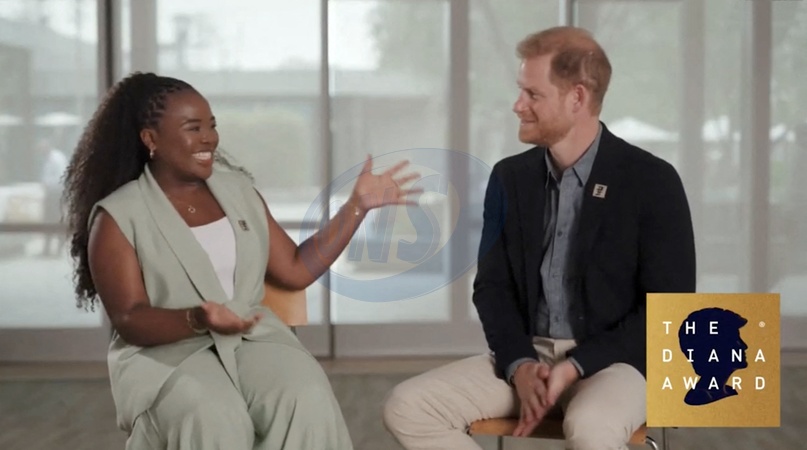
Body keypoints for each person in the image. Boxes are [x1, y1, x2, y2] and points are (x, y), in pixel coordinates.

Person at [62, 72, 418, 450]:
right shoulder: (117, 216)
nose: (209, 138)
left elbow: (295, 269)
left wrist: (357, 206)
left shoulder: (238, 191)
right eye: (193, 128)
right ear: (151, 139)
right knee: (213, 414)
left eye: (212, 125)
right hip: (164, 354)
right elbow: (129, 319)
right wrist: (198, 318)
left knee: (306, 394)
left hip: (251, 339)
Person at [383, 26, 696, 450]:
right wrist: (519, 364)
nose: (518, 105)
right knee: (407, 406)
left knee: (590, 428)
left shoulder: (652, 180)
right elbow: (492, 288)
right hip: (531, 357)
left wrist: (576, 365)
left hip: (616, 364)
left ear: (577, 98)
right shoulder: (509, 178)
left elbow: (669, 310)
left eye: (532, 94)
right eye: (520, 91)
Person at [38, 138, 68, 256]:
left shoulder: (57, 159)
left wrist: (48, 184)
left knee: (56, 220)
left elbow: (61, 177)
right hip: (50, 193)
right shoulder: (47, 159)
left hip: (56, 193)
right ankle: (47, 248)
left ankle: (58, 248)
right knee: (48, 220)